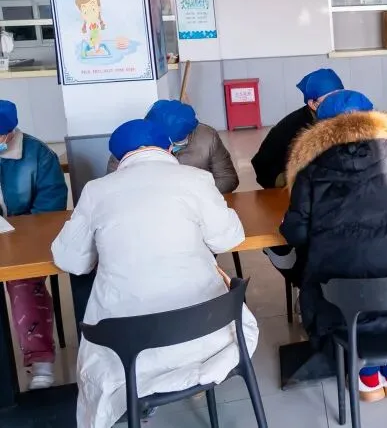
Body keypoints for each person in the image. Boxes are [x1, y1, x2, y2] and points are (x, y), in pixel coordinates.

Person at [51, 120, 259, 428]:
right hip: (209, 335)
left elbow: (71, 260)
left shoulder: (97, 191)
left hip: (131, 353)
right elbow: (229, 238)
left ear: (119, 157)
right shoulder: (196, 179)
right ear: (168, 147)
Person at [281, 89, 387, 402]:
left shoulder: (311, 169)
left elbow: (296, 233)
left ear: (322, 127)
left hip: (345, 299)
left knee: (339, 288)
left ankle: (366, 376)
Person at [0, 100, 68, 390]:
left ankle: (40, 360)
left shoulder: (38, 155)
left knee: (24, 282)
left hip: (23, 237)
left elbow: (50, 209)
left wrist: (18, 233)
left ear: (10, 133)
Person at [105, 99, 238, 193]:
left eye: (173, 143)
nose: (167, 148)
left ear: (189, 133)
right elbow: (113, 185)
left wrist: (193, 193)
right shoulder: (129, 142)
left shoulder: (207, 137)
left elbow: (228, 179)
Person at [251, 68, 344, 189]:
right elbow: (261, 165)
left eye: (341, 95)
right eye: (330, 98)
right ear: (313, 104)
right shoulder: (290, 128)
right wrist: (290, 181)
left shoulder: (348, 115)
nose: (338, 101)